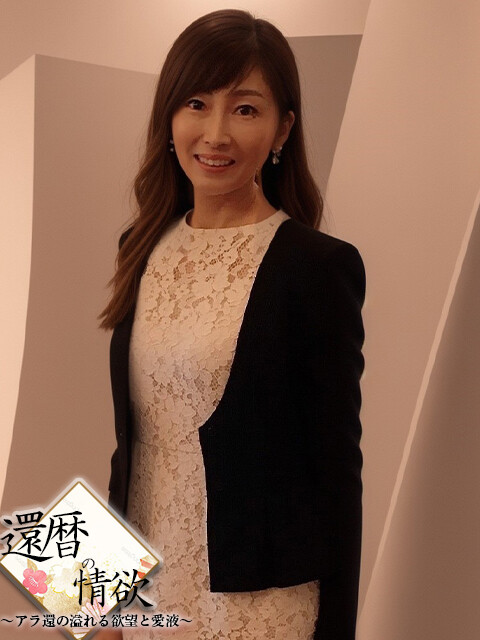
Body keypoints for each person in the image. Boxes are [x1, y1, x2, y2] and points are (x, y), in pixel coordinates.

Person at [98, 9, 366, 640]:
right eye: (197, 103)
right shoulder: (140, 245)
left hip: (257, 607)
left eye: (245, 109)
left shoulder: (316, 266)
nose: (216, 133)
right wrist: (89, 605)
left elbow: (335, 474)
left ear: (282, 129)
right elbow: (132, 447)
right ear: (169, 117)